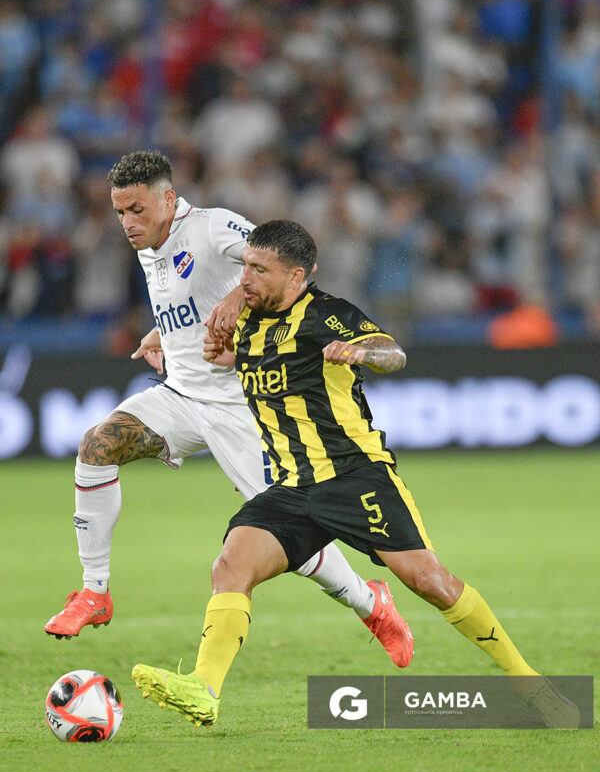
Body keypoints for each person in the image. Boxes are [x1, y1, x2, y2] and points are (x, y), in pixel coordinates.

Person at [132, 219, 580, 729]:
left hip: (355, 477)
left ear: (296, 275)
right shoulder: (250, 321)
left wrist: (361, 352)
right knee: (230, 567)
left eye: (259, 269)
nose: (246, 279)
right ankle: (204, 689)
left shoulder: (328, 315)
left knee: (429, 580)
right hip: (293, 487)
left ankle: (529, 684)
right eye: (245, 266)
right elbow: (266, 363)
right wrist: (217, 355)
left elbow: (393, 351)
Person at [44, 150, 413, 670]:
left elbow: (273, 261)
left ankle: (371, 603)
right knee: (96, 446)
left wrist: (241, 298)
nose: (128, 223)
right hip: (180, 396)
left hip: (244, 404)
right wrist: (165, 334)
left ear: (169, 199)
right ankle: (94, 592)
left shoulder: (213, 228)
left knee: (292, 541)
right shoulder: (151, 243)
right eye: (119, 212)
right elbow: (189, 301)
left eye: (137, 209)